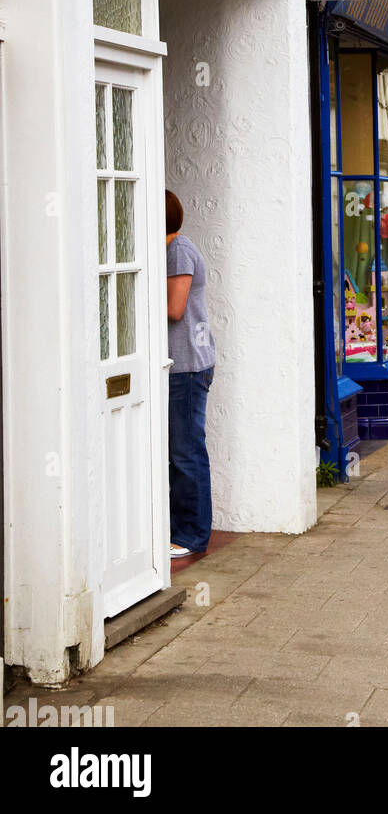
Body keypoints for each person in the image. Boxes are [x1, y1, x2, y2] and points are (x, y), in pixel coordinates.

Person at [166, 190, 216, 559]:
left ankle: (191, 537)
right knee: (181, 451)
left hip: (186, 366)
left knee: (186, 453)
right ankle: (180, 531)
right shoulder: (171, 249)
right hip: (180, 364)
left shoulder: (178, 250)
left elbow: (174, 309)